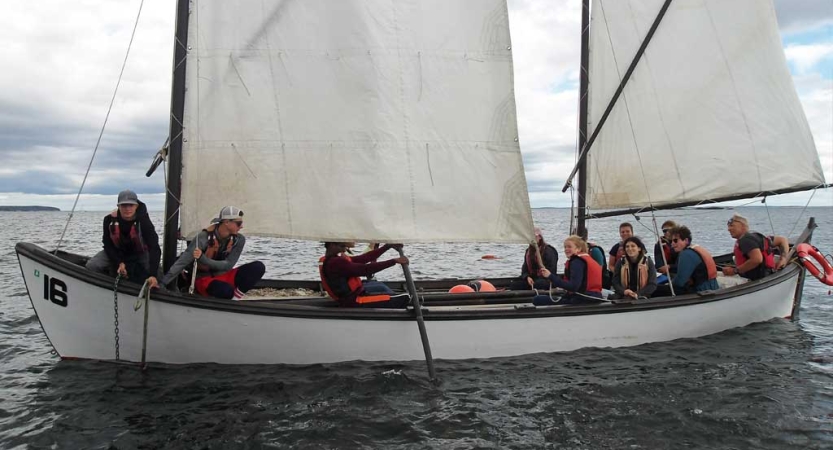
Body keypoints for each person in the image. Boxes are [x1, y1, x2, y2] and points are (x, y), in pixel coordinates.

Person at [160, 206, 265, 300]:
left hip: (225, 275)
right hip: (203, 279)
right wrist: (162, 283)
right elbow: (182, 262)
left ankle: (236, 299)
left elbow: (228, 265)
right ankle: (229, 295)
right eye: (238, 223)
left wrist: (202, 258)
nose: (241, 226)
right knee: (226, 291)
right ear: (226, 222)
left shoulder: (239, 239)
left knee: (258, 267)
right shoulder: (203, 238)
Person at [86, 189, 161, 288]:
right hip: (118, 252)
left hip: (140, 253)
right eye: (124, 205)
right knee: (92, 265)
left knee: (156, 274)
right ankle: (108, 285)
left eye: (131, 205)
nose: (127, 209)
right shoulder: (108, 220)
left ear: (136, 206)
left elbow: (154, 247)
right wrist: (119, 262)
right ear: (118, 206)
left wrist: (153, 274)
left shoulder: (144, 222)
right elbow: (107, 245)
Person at [319, 242, 410, 308]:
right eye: (342, 246)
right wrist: (394, 261)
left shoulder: (333, 259)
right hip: (355, 301)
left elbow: (365, 258)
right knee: (404, 298)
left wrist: (387, 246)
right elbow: (365, 269)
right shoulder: (336, 262)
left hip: (355, 295)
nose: (344, 249)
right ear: (331, 245)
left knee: (387, 291)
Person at [534, 235, 603, 305]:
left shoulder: (577, 262)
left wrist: (550, 276)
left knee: (537, 299)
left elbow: (573, 287)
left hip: (584, 298)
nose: (566, 249)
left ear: (578, 249)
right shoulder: (584, 259)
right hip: (592, 296)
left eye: (569, 247)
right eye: (565, 247)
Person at [721, 214, 790, 281]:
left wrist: (734, 271)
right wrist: (783, 258)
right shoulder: (756, 237)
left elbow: (757, 259)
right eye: (728, 226)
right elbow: (782, 240)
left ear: (743, 226)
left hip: (755, 279)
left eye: (732, 226)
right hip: (767, 274)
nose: (729, 229)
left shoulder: (745, 240)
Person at [668, 225, 719, 294]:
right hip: (713, 286)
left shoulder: (686, 254)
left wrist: (669, 283)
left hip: (702, 291)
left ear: (686, 240)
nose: (672, 244)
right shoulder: (695, 248)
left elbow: (679, 282)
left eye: (675, 240)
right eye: (671, 241)